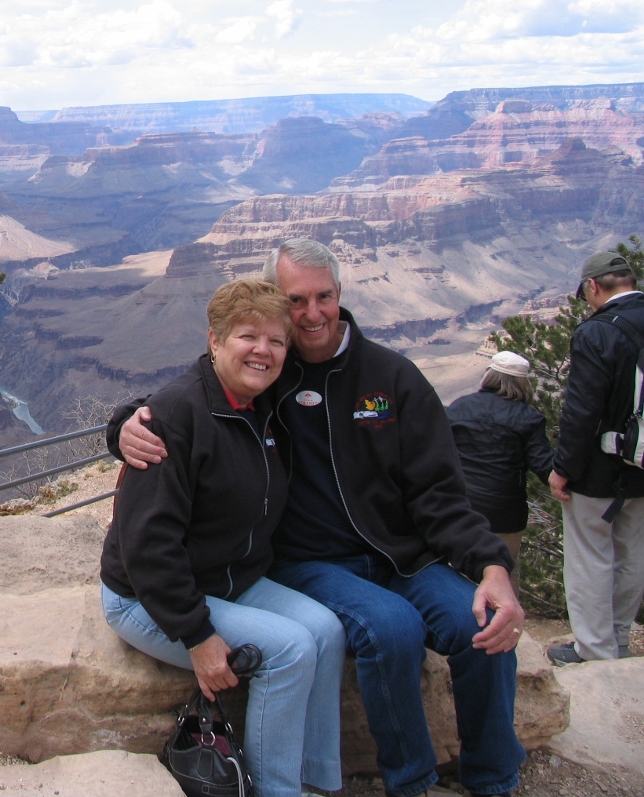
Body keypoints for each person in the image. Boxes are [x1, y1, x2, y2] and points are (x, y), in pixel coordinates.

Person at [111, 238, 524, 797]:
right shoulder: (271, 375)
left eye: (323, 297)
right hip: (312, 562)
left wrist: (491, 566)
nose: (311, 313)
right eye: (295, 300)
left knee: (483, 625)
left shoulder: (393, 377)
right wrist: (123, 424)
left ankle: (494, 779)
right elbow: (198, 394)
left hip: (404, 558)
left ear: (340, 295)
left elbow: (442, 493)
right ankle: (412, 784)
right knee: (392, 629)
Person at [101, 278, 345, 797]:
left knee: (326, 631)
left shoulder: (263, 401)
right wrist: (198, 636)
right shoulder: (175, 418)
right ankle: (277, 791)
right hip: (148, 599)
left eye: (275, 341)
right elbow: (148, 545)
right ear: (214, 341)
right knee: (291, 650)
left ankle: (316, 781)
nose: (263, 351)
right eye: (247, 337)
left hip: (229, 580)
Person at [546, 251, 644, 665]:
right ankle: (619, 640)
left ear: (592, 287)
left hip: (598, 469)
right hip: (641, 465)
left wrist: (563, 468)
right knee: (632, 553)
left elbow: (582, 410)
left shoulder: (597, 332)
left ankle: (594, 649)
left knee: (590, 557)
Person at [446, 351, 555, 592]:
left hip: (461, 506)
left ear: (489, 377)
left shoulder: (459, 406)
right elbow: (543, 466)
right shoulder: (528, 417)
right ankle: (505, 615)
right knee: (504, 570)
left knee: (455, 572)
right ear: (523, 384)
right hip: (505, 512)